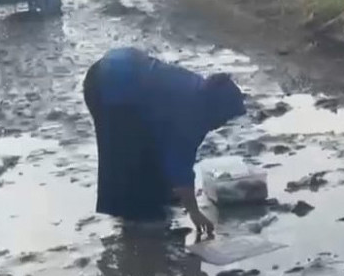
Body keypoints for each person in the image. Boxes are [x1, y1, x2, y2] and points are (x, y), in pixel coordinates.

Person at [83, 47, 246, 234]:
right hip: (107, 86)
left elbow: (169, 148)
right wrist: (194, 212)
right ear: (217, 108)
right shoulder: (191, 114)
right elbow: (180, 165)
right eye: (225, 117)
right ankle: (136, 218)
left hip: (126, 70)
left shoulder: (198, 89)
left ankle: (156, 198)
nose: (222, 123)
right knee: (129, 155)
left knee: (152, 148)